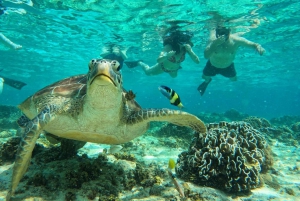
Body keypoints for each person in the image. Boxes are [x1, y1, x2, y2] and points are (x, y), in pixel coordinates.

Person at [197, 26, 265, 96]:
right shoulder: (212, 40)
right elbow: (206, 56)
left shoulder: (236, 40)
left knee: (234, 79)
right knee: (204, 77)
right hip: (212, 65)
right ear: (216, 32)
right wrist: (215, 44)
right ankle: (207, 81)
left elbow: (252, 44)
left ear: (229, 32)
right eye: (219, 33)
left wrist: (258, 46)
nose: (222, 36)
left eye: (225, 33)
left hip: (227, 66)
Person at [125, 30, 200, 78]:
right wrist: (166, 56)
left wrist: (191, 51)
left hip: (174, 69)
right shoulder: (169, 46)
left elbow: (197, 62)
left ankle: (175, 68)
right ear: (177, 40)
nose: (183, 43)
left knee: (174, 77)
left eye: (185, 41)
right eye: (181, 40)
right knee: (147, 72)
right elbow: (158, 60)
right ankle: (139, 63)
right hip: (162, 67)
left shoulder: (186, 48)